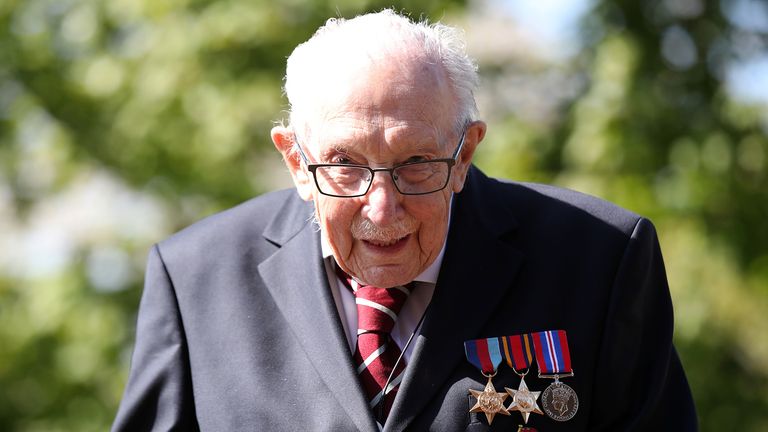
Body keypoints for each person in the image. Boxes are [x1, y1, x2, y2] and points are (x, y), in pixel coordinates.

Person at [112, 9, 697, 432]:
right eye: (343, 164)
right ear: (294, 158)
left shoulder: (599, 258)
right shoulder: (194, 278)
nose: (382, 207)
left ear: (465, 152)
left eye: (416, 163)